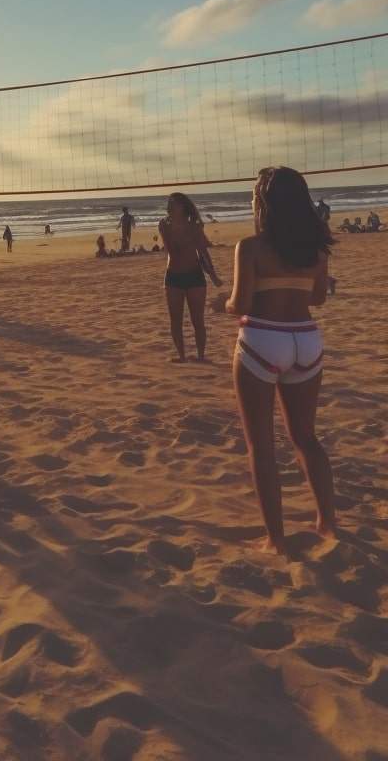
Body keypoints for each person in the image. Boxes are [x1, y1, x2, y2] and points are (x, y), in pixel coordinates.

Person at [213, 166, 335, 555]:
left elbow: (241, 304)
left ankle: (276, 540)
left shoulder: (251, 247)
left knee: (261, 446)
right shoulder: (316, 250)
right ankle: (328, 523)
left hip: (264, 339)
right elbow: (318, 299)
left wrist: (222, 304)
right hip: (306, 340)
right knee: (306, 438)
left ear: (263, 203)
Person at [159, 192, 221, 363]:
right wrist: (166, 232)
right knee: (175, 320)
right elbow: (171, 251)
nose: (170, 206)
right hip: (173, 276)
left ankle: (201, 356)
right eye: (169, 203)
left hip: (194, 275)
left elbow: (203, 253)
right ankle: (181, 357)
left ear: (183, 207)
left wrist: (213, 275)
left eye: (174, 203)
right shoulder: (164, 225)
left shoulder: (193, 227)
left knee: (197, 320)